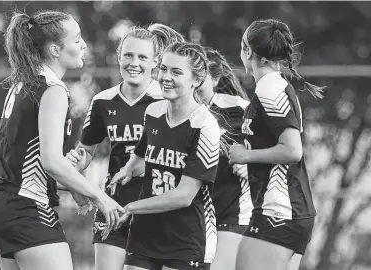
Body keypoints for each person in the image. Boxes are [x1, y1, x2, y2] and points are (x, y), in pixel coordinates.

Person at [0, 10, 123, 270]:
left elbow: (29, 160)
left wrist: (74, 184)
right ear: (55, 49)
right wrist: (100, 196)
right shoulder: (53, 88)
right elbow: (51, 162)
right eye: (77, 40)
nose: (84, 45)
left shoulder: (23, 82)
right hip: (24, 206)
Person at [67, 24, 185, 270]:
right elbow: (87, 150)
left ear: (155, 63)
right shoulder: (102, 101)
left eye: (143, 57)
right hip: (115, 205)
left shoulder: (168, 100)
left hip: (156, 209)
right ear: (118, 57)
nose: (134, 63)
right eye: (128, 55)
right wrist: (75, 161)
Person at [109, 42, 221, 270]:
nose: (166, 77)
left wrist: (131, 208)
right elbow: (141, 158)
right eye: (163, 69)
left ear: (196, 80)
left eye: (176, 72)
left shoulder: (205, 125)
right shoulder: (153, 111)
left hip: (186, 240)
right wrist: (127, 170)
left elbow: (184, 196)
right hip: (145, 234)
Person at [229, 19, 324, 270]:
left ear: (249, 51)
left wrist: (245, 157)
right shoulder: (271, 86)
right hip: (284, 212)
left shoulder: (270, 89)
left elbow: (292, 150)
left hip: (279, 212)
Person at [195, 48, 253, 270]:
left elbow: (282, 153)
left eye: (200, 79)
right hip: (190, 217)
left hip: (232, 212)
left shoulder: (241, 109)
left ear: (216, 79)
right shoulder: (174, 112)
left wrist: (253, 167)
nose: (193, 85)